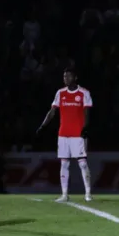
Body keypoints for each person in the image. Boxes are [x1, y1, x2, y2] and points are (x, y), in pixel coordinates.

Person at [37, 68, 93, 202]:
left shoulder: (84, 93)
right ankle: (64, 194)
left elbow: (87, 112)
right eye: (64, 76)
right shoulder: (60, 93)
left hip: (78, 134)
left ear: (75, 77)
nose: (66, 79)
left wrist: (85, 128)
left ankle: (88, 193)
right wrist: (43, 125)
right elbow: (52, 111)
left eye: (68, 76)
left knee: (83, 164)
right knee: (64, 164)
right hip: (63, 134)